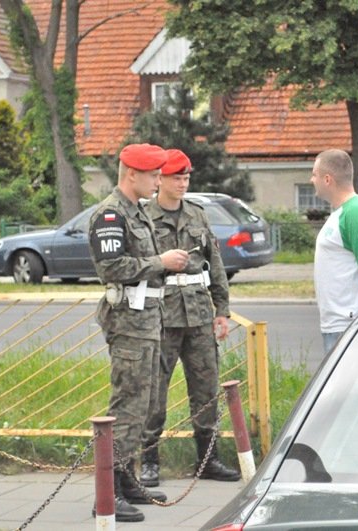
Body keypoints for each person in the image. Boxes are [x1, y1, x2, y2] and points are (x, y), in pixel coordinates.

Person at [88, 143, 190, 522]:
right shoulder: (111, 215)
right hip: (129, 323)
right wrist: (158, 262)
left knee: (144, 404)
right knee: (127, 405)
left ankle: (126, 478)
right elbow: (113, 267)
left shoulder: (136, 212)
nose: (157, 181)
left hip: (147, 319)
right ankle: (107, 491)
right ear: (131, 174)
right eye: (152, 175)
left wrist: (164, 267)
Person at [141, 148, 241, 486]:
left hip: (198, 315)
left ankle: (208, 459)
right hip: (162, 317)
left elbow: (216, 265)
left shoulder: (198, 215)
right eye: (176, 177)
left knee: (206, 389)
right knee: (155, 390)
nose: (183, 182)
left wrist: (222, 310)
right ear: (160, 180)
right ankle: (149, 460)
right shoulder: (144, 218)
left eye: (186, 177)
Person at [310, 149, 358, 353]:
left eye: (314, 174)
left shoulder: (356, 213)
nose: (312, 180)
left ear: (328, 179)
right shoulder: (341, 213)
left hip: (348, 326)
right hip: (338, 325)